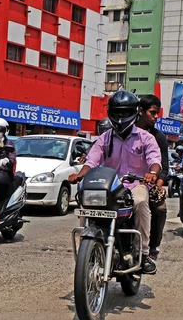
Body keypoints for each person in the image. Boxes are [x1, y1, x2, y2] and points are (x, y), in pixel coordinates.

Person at [69, 90, 162, 274]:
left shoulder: (146, 138)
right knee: (85, 197)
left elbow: (155, 160)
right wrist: (80, 175)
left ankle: (143, 254)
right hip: (109, 186)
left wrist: (152, 173)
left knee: (141, 201)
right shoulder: (105, 138)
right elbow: (92, 160)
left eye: (125, 112)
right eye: (117, 112)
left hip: (136, 185)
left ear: (134, 112)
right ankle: (85, 248)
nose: (121, 117)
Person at [136, 95, 168, 261]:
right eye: (152, 113)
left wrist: (157, 183)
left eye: (157, 113)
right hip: (125, 182)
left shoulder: (159, 137)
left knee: (159, 208)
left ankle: (152, 247)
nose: (156, 117)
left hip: (149, 183)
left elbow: (163, 166)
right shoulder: (127, 131)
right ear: (140, 111)